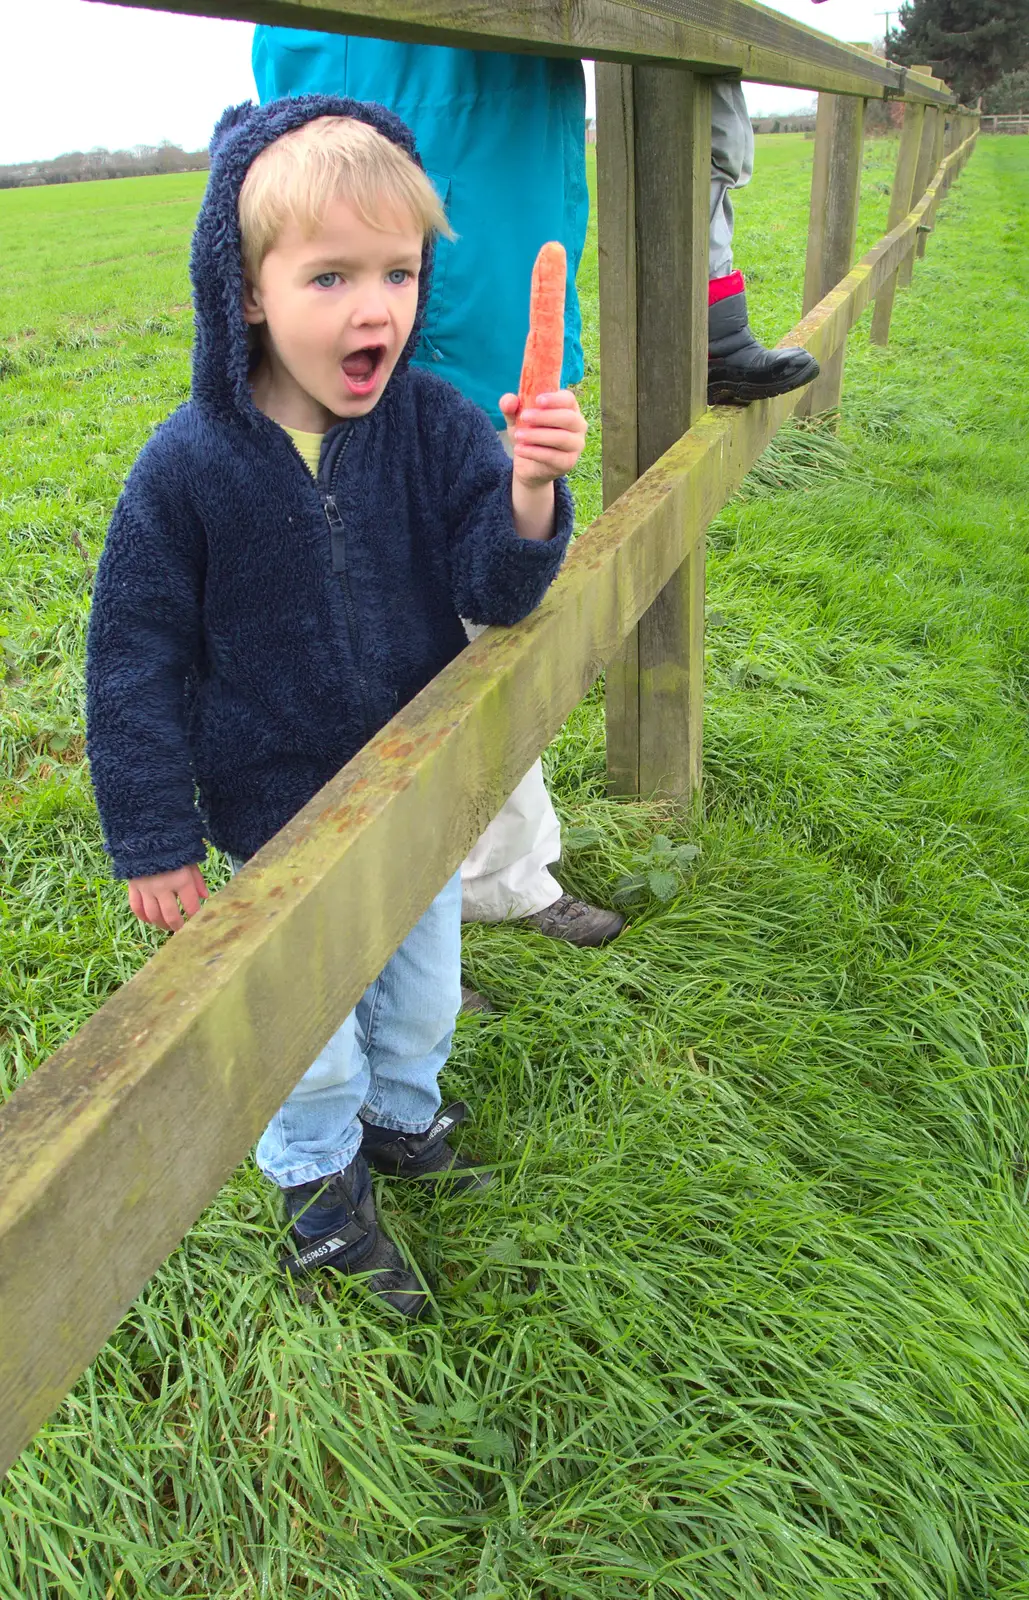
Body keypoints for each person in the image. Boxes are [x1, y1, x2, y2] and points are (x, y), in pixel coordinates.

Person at [85, 95, 587, 1317]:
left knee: (417, 991)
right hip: (274, 821)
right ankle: (317, 1180)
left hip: (417, 802)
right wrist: (152, 836)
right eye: (332, 278)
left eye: (401, 274)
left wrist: (526, 492)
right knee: (303, 1023)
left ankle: (401, 1117)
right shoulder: (188, 468)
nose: (379, 310)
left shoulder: (437, 428)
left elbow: (495, 588)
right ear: (245, 289)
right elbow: (132, 656)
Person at [250, 33, 820, 976]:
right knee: (352, 653)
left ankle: (498, 881)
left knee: (488, 625)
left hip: (491, 269)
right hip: (349, 216)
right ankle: (375, 944)